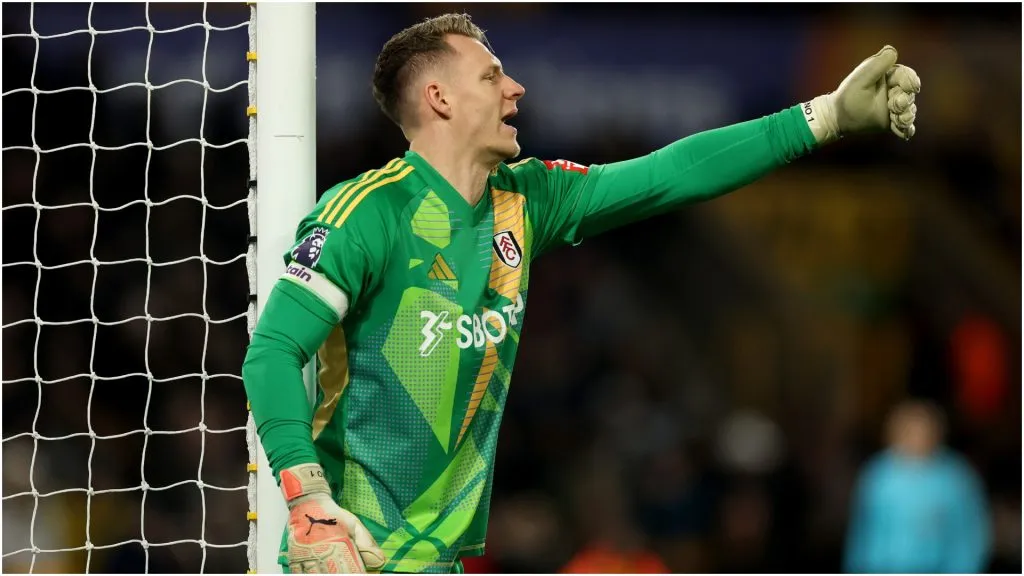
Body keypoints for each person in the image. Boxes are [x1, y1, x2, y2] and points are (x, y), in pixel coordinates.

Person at [242, 12, 921, 574]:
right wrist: (306, 501)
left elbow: (669, 174)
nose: (516, 88)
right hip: (350, 556)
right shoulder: (367, 214)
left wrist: (825, 115)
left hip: (441, 560)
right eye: (491, 75)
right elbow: (272, 351)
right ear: (439, 99)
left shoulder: (529, 200)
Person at [844, 400, 991, 573]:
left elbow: (971, 532)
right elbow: (863, 530)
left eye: (923, 431)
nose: (917, 438)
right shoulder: (878, 474)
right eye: (909, 431)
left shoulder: (956, 477)